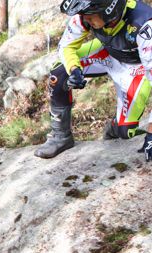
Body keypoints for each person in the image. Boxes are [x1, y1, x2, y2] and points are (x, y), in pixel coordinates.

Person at [36, 0, 152, 161]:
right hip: (107, 52)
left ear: (110, 11)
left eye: (90, 16)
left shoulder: (144, 25)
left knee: (126, 132)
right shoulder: (85, 15)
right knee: (59, 73)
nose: (85, 19)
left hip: (138, 68)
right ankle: (60, 136)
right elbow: (66, 46)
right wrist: (74, 69)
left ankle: (115, 128)